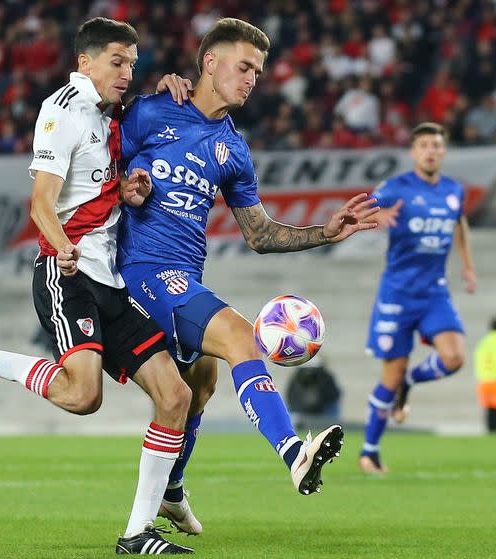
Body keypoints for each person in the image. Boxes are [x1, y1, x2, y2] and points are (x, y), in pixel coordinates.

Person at [0, 18, 201, 555]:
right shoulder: (62, 110)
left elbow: (95, 189)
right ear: (85, 62)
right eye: (117, 61)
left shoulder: (111, 115)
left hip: (110, 280)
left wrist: (127, 190)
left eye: (132, 62)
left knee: (176, 395)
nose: (127, 71)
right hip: (65, 274)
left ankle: (137, 534)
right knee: (83, 395)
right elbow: (42, 201)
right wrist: (62, 245)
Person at [112, 18, 380, 532]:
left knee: (200, 384)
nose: (253, 78)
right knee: (240, 337)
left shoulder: (232, 149)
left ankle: (171, 489)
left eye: (258, 70)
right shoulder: (149, 112)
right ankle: (293, 453)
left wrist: (325, 232)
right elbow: (97, 167)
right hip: (142, 270)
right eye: (244, 66)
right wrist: (128, 186)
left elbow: (258, 234)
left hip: (183, 274)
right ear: (209, 62)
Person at [358, 122, 477, 474]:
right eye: (424, 145)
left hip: (435, 292)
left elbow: (460, 224)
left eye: (437, 145)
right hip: (398, 293)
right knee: (389, 375)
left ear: (443, 151)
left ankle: (409, 384)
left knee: (454, 358)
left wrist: (468, 267)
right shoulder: (398, 187)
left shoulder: (454, 191)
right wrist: (379, 216)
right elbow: (362, 208)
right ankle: (370, 451)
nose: (431, 151)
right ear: (413, 152)